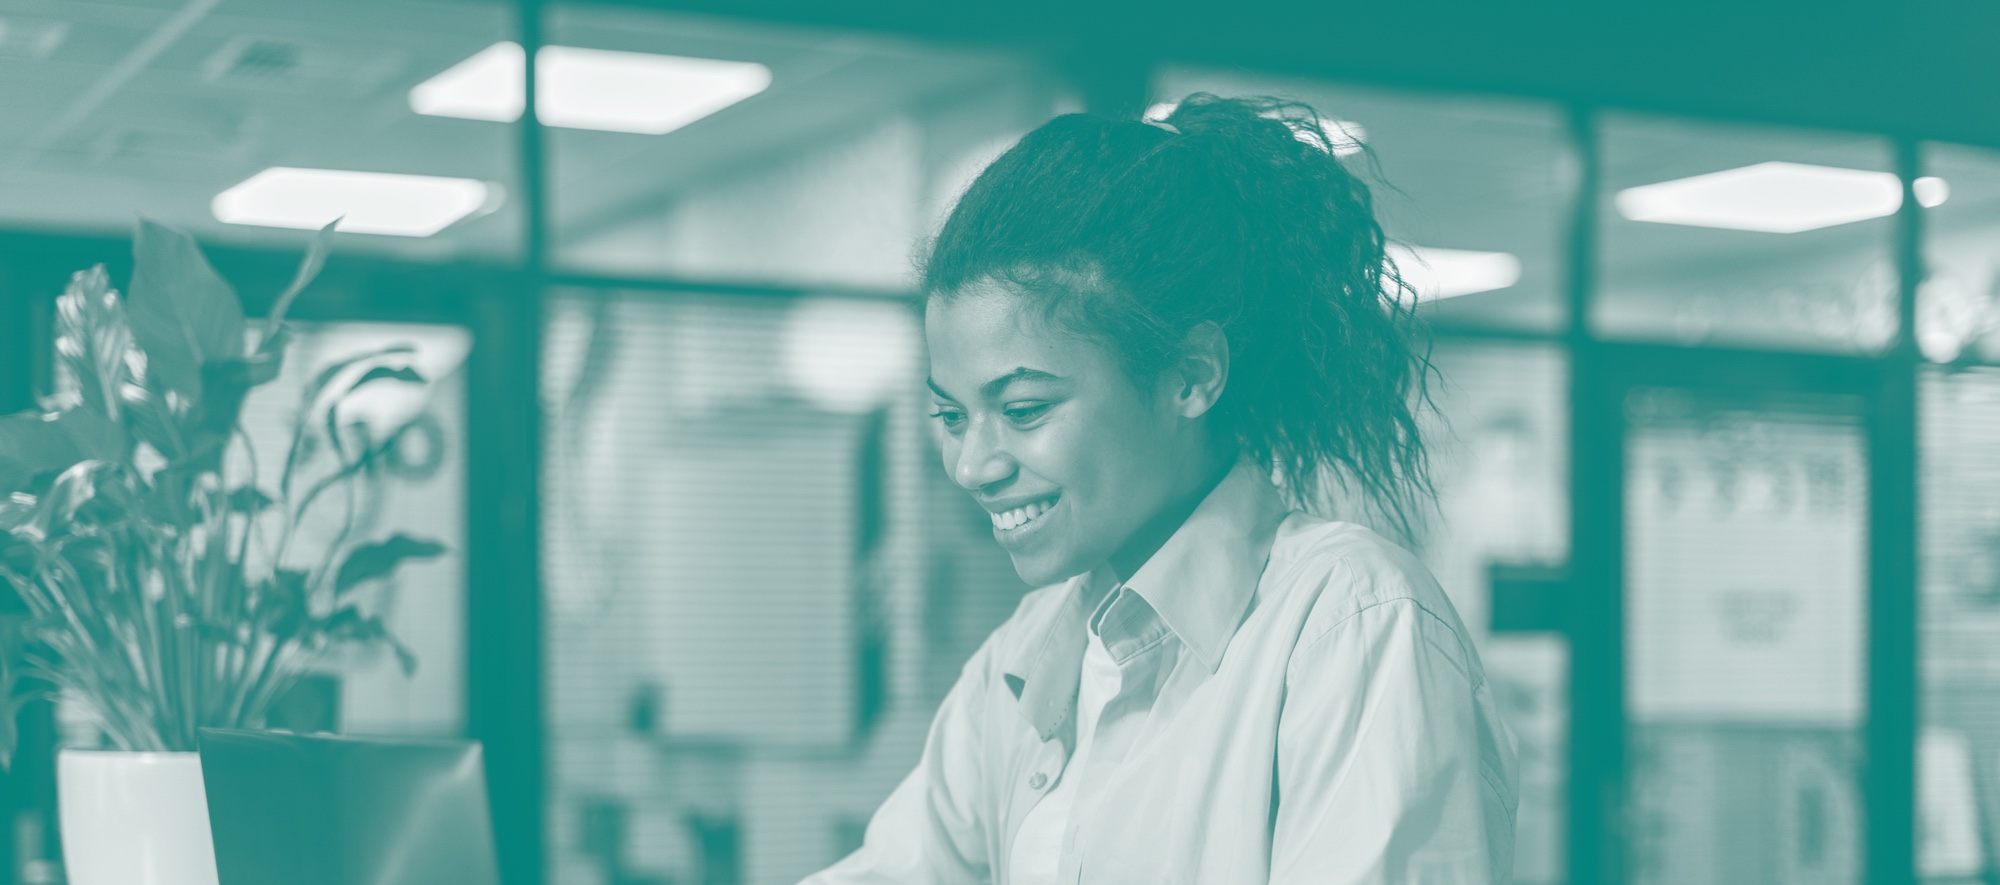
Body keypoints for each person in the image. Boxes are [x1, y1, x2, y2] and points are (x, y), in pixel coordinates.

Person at [803, 93, 1517, 884]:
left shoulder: (1350, 623)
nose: (974, 464)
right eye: (950, 414)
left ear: (1190, 374)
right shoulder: (1028, 651)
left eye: (1023, 409)